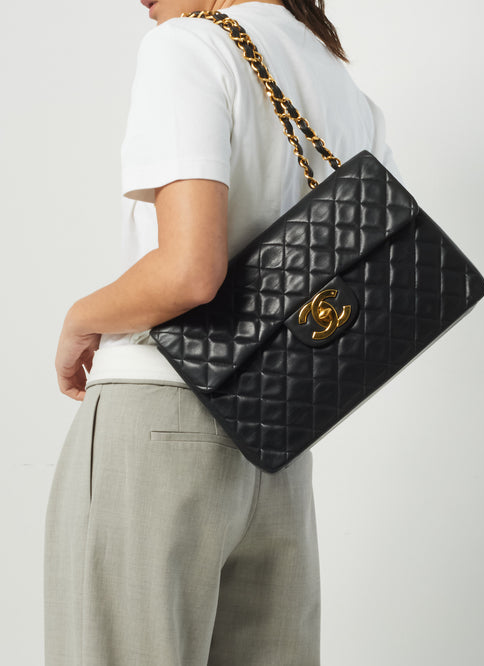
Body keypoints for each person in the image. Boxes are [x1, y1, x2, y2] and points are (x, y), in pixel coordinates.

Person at [44, 1, 404, 664]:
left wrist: (80, 318)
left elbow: (189, 272)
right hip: (276, 438)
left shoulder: (191, 47)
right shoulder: (345, 90)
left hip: (159, 418)